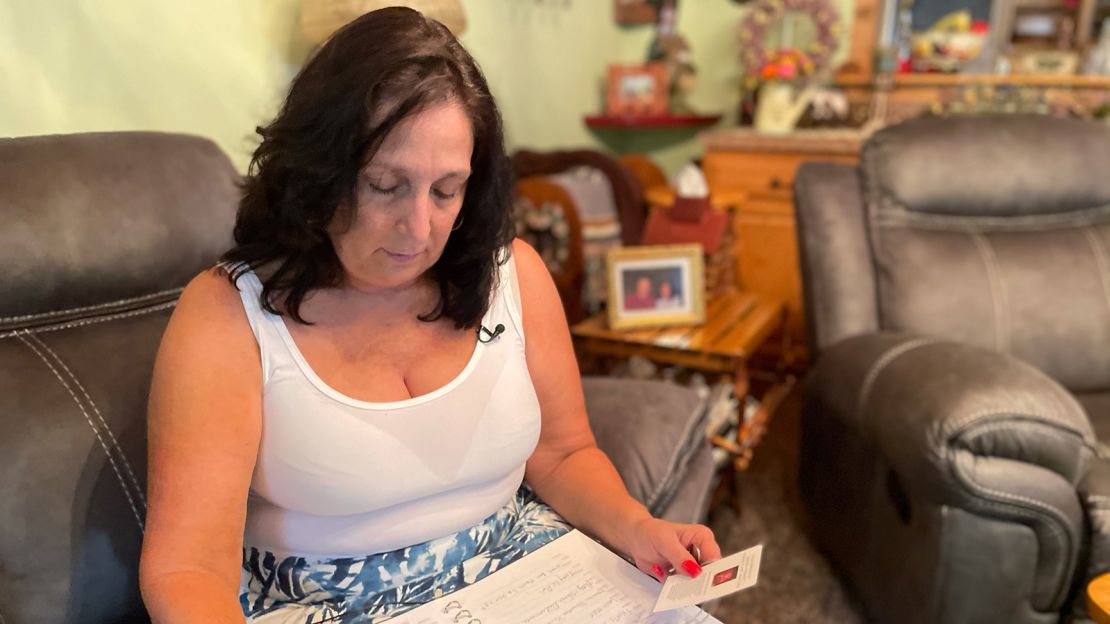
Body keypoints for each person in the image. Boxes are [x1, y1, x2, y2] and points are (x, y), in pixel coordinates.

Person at [138, 7, 720, 623]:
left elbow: (564, 454)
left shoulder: (512, 273)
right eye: (386, 185)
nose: (418, 229)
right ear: (319, 173)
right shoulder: (228, 314)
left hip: (522, 568)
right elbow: (188, 568)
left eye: (447, 190)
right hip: (326, 605)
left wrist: (636, 528)